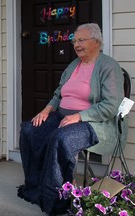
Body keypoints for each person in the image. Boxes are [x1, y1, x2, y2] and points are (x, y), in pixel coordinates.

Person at [17, 23, 127, 215]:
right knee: (29, 130)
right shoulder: (73, 65)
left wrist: (79, 116)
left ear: (96, 42)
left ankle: (58, 198)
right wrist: (46, 110)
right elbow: (59, 93)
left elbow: (111, 105)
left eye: (81, 40)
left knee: (61, 139)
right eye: (74, 41)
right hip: (63, 115)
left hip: (94, 122)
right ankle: (36, 186)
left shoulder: (109, 67)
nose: (76, 44)